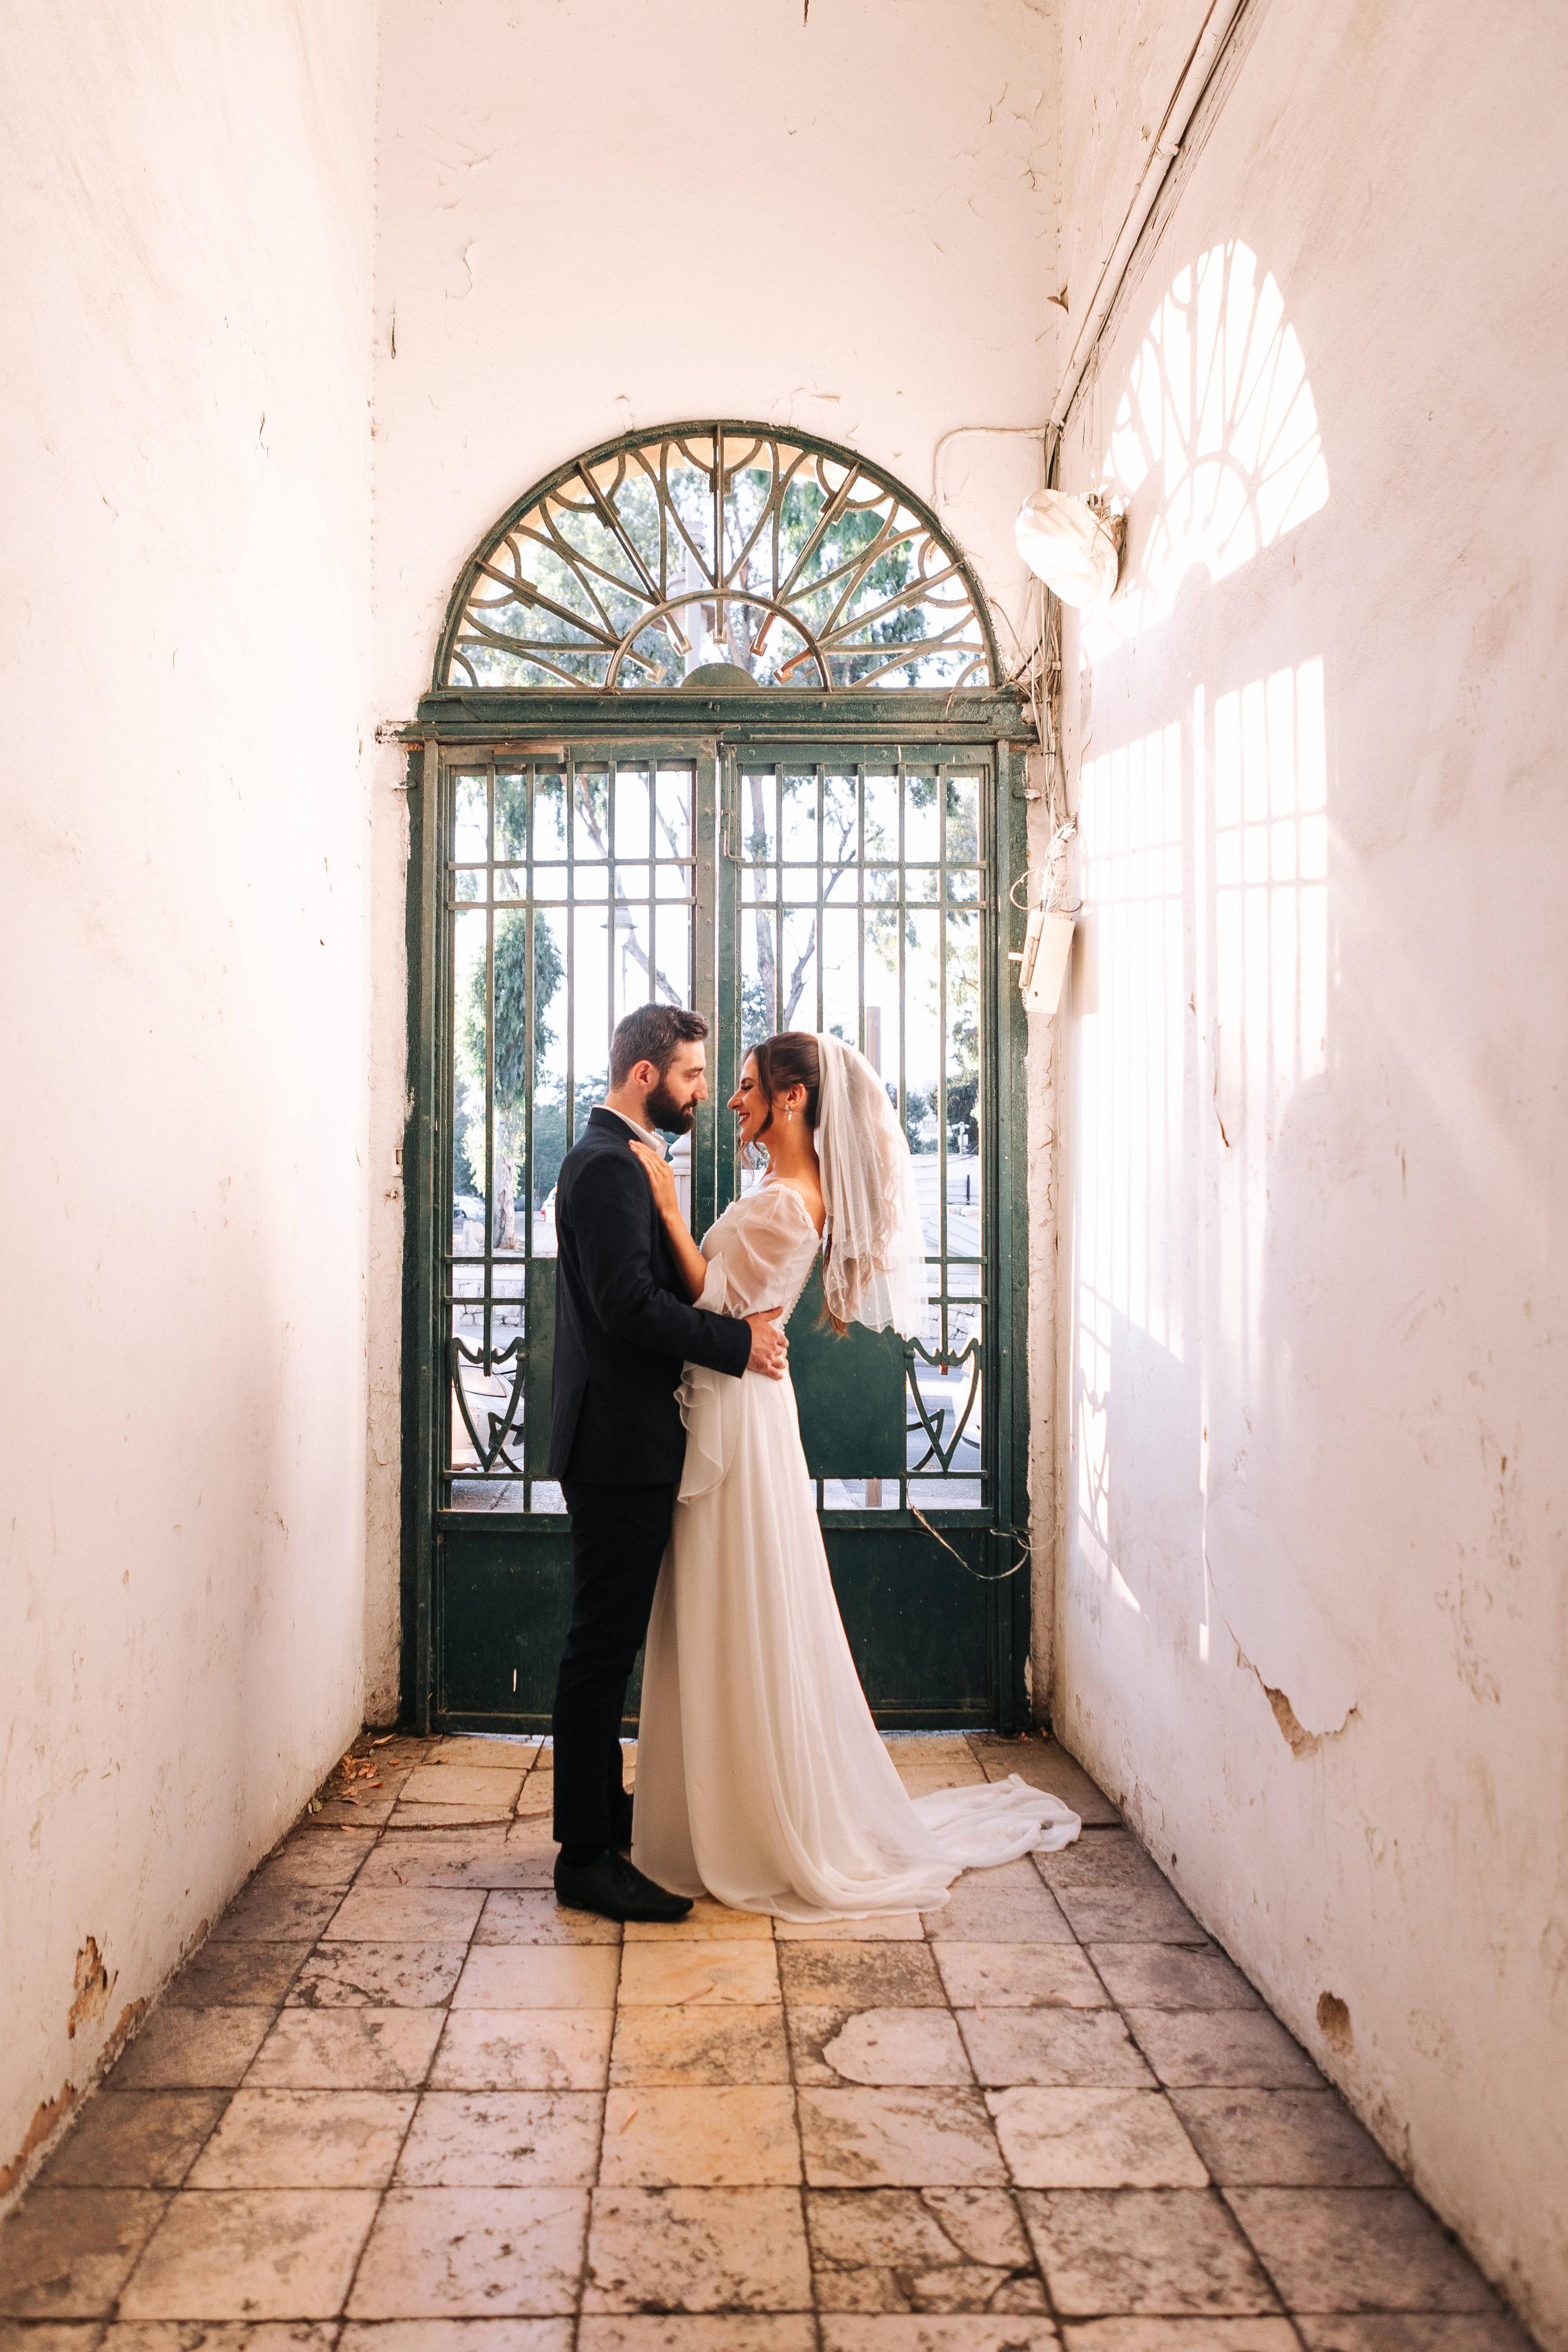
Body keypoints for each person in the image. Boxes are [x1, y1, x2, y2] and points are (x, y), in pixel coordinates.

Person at [627, 1030, 1080, 1920]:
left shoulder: (788, 1205)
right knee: (731, 1595)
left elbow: (710, 1301)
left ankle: (750, 1817)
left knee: (736, 1594)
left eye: (748, 1086)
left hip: (739, 1410)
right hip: (741, 1399)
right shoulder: (785, 1191)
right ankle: (720, 1803)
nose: (733, 1100)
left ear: (793, 1098)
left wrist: (672, 1216)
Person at [547, 1004, 791, 1924]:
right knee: (600, 1648)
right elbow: (628, 1307)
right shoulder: (610, 1165)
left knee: (608, 1644)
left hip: (626, 1440)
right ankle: (584, 1857)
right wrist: (738, 1343)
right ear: (645, 1075)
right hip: (617, 1446)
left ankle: (606, 1817)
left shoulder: (617, 1159)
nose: (701, 1092)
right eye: (691, 1075)